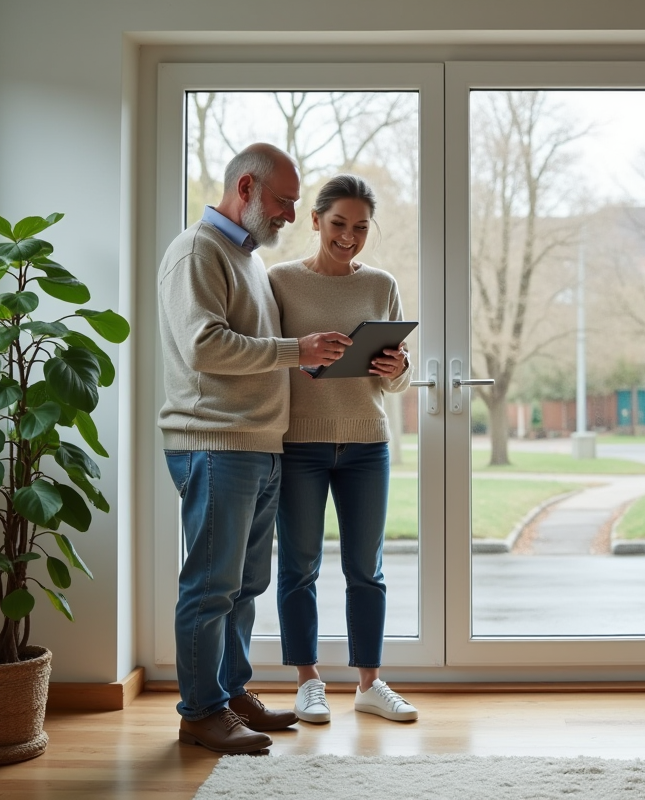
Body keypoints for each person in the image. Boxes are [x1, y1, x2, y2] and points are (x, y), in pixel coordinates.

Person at [157, 143, 353, 754]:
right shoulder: (197, 251)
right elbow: (206, 346)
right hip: (215, 444)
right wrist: (297, 351)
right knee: (211, 587)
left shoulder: (245, 259)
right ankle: (200, 714)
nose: (291, 216)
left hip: (259, 446)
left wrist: (317, 360)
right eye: (284, 202)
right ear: (245, 188)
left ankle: (231, 693)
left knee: (244, 587)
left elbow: (254, 349)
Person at [268, 174, 419, 724]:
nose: (349, 236)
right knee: (299, 566)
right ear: (315, 220)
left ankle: (369, 683)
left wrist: (398, 367)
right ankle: (308, 682)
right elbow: (267, 356)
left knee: (366, 568)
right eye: (338, 224)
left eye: (359, 227)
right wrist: (298, 358)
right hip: (299, 444)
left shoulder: (380, 284)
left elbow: (398, 381)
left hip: (366, 444)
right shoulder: (279, 281)